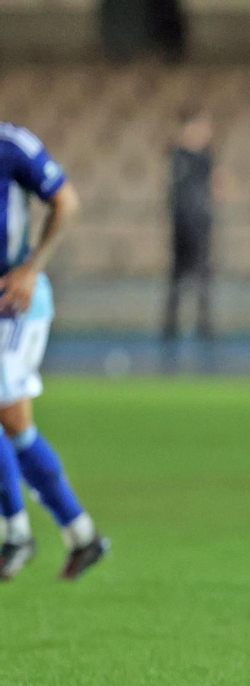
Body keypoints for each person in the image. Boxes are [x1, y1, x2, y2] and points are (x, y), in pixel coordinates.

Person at [0, 122, 111, 580]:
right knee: (17, 430)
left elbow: (66, 202)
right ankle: (82, 535)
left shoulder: (12, 146)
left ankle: (16, 534)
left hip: (16, 301)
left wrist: (31, 268)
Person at [163, 105, 218, 348]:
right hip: (180, 223)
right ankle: (170, 326)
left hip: (200, 224)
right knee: (176, 276)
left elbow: (215, 185)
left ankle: (205, 326)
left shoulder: (207, 158)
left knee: (203, 276)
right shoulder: (178, 155)